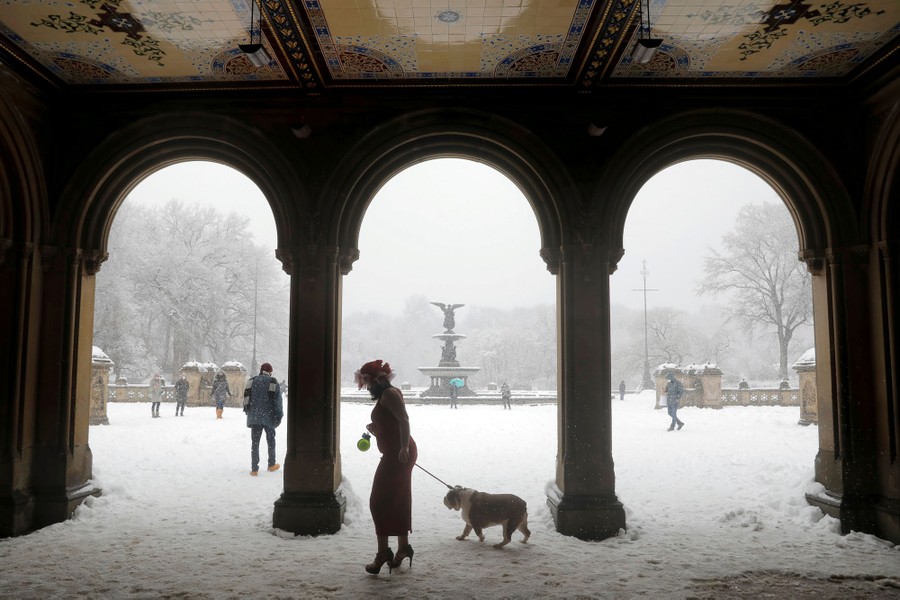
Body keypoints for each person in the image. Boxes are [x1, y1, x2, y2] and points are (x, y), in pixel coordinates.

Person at [355, 359, 417, 575]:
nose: (368, 387)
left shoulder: (389, 394)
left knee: (378, 501)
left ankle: (383, 554)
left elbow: (404, 420)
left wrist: (403, 447)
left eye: (368, 382)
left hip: (398, 454)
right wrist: (378, 428)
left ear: (378, 380)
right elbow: (392, 421)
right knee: (398, 498)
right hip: (396, 452)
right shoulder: (386, 394)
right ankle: (403, 548)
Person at [242, 363, 284, 476]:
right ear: (270, 371)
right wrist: (279, 415)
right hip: (268, 418)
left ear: (261, 370)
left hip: (254, 417)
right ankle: (271, 464)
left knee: (255, 443)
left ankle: (254, 469)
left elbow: (246, 398)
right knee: (271, 441)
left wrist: (249, 413)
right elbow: (277, 402)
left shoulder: (251, 381)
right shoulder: (273, 382)